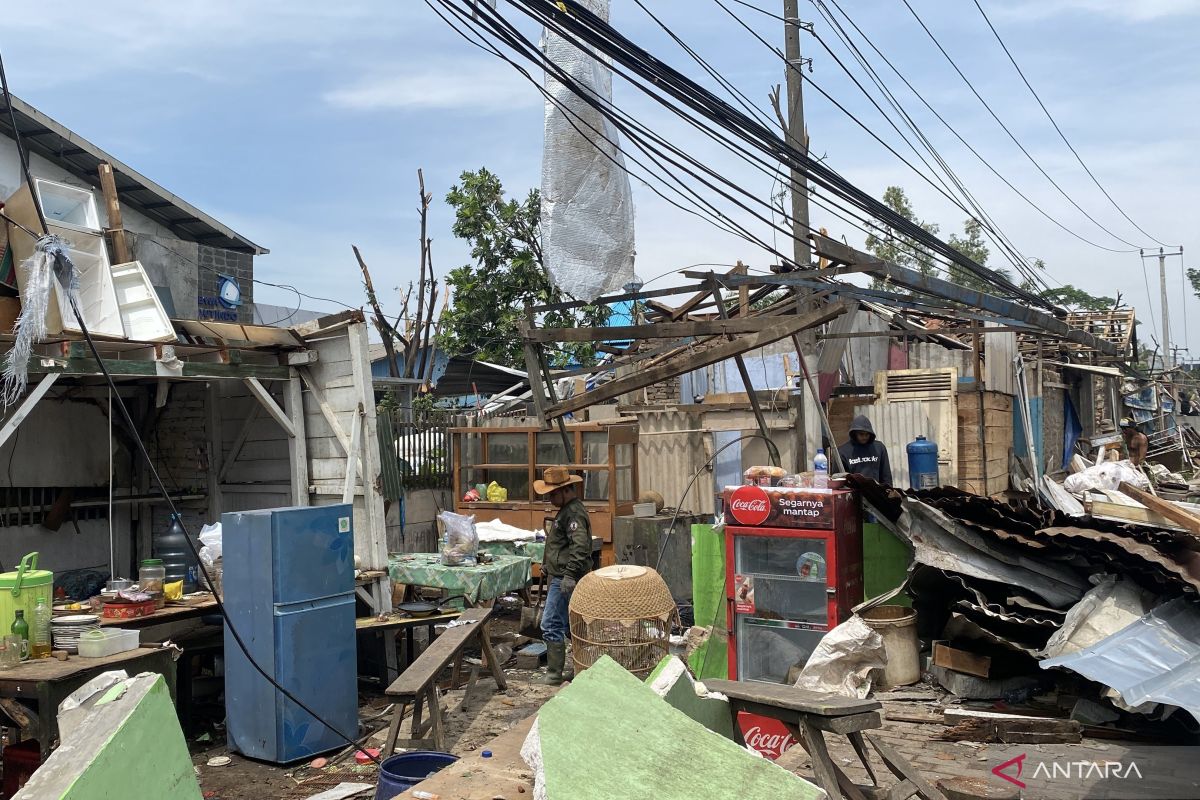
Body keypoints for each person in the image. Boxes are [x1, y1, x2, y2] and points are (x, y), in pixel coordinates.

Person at [533, 465, 593, 686]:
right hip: (561, 575)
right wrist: (549, 565)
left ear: (564, 490)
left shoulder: (574, 513)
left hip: (566, 578)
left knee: (550, 624)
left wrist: (568, 575)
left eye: (552, 493)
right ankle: (581, 668)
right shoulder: (568, 510)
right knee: (572, 626)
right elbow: (563, 546)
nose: (549, 498)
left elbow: (579, 547)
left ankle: (554, 674)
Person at [837, 415, 893, 486]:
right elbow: (838, 479)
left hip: (876, 493)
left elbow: (886, 475)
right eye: (861, 434)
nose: (864, 437)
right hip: (854, 494)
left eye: (867, 434)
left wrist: (888, 492)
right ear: (855, 433)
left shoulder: (879, 448)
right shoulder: (843, 451)